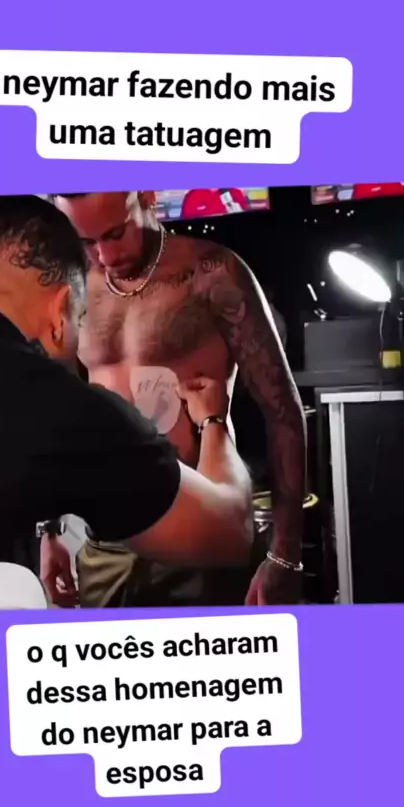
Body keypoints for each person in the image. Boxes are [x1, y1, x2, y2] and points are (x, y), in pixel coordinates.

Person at [0, 195, 253, 611]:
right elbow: (231, 530)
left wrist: (49, 528)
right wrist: (214, 423)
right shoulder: (52, 405)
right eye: (81, 318)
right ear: (61, 308)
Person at [53, 190, 307, 606]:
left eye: (116, 233)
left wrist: (286, 554)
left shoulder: (213, 273)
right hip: (106, 539)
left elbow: (282, 412)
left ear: (147, 196)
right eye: (87, 241)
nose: (105, 256)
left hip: (202, 531)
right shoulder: (75, 283)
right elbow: (57, 412)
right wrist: (50, 530)